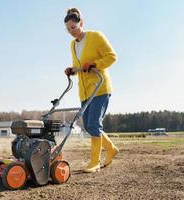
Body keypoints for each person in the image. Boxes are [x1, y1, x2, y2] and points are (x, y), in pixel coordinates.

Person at [64, 8, 119, 173]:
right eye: (68, 29)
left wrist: (95, 64)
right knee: (89, 126)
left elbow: (112, 56)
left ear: (81, 23)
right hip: (85, 92)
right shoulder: (72, 45)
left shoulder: (96, 36)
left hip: (100, 88)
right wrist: (72, 70)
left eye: (73, 27)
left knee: (94, 124)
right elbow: (81, 66)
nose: (71, 32)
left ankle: (94, 163)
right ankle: (111, 149)